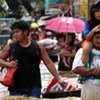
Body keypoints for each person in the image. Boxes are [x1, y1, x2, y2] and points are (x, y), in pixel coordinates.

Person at [0, 20, 66, 97]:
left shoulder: (38, 46)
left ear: (25, 32)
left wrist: (58, 78)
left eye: (17, 32)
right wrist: (8, 64)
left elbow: (48, 63)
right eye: (13, 32)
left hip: (34, 86)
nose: (14, 35)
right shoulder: (10, 47)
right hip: (15, 86)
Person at [72, 32, 100, 100]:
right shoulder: (82, 51)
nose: (99, 41)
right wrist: (94, 71)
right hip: (89, 88)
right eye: (97, 37)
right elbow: (76, 69)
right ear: (92, 38)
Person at [82, 1, 100, 65]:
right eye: (97, 11)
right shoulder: (89, 23)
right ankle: (84, 68)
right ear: (93, 12)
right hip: (90, 42)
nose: (99, 13)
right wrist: (93, 30)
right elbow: (86, 38)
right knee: (86, 48)